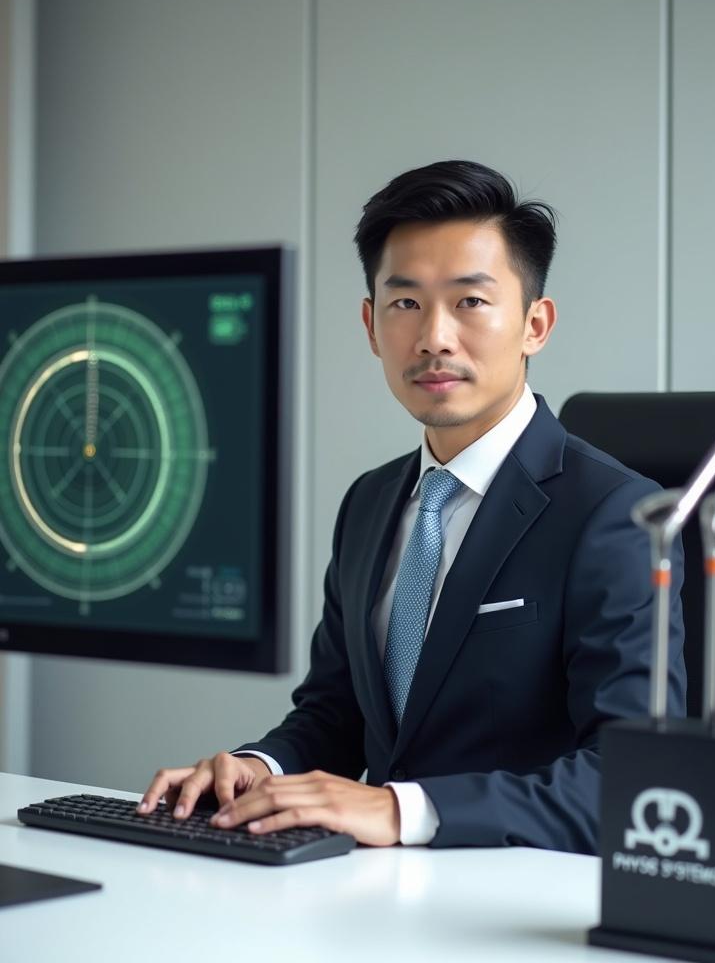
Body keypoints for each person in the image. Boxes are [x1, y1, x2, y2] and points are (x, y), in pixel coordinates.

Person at [140, 160, 686, 852]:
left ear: (535, 324)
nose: (434, 337)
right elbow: (336, 714)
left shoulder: (617, 516)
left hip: (517, 916)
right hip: (373, 898)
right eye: (405, 304)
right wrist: (261, 768)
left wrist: (400, 811)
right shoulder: (371, 501)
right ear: (371, 326)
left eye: (470, 301)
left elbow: (631, 778)